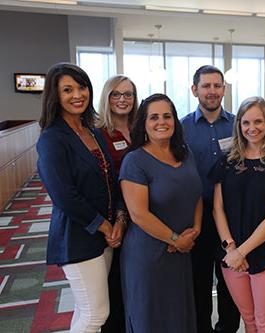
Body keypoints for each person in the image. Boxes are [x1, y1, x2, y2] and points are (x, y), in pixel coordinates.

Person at [37, 63, 124, 332]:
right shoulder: (52, 138)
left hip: (104, 235)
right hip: (77, 237)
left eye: (82, 87)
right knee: (95, 313)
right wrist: (105, 225)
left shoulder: (94, 132)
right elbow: (64, 195)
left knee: (87, 308)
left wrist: (119, 219)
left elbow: (112, 180)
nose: (77, 94)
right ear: (55, 95)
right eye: (67, 89)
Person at [119, 93, 202, 332]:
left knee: (178, 316)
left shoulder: (185, 153)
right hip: (149, 255)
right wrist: (176, 239)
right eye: (153, 117)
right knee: (151, 318)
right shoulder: (134, 161)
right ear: (143, 123)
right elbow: (139, 215)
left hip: (182, 251)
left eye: (167, 116)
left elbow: (196, 194)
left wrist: (194, 231)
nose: (161, 122)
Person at [211, 96, 265, 333]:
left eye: (258, 122)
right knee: (248, 319)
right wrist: (230, 248)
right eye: (245, 122)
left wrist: (241, 252)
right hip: (231, 253)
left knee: (264, 320)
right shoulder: (227, 161)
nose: (252, 128)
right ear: (238, 126)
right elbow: (218, 208)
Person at [181, 65, 240, 333]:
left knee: (231, 280)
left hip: (232, 215)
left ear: (224, 90)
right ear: (195, 90)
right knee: (199, 283)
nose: (212, 91)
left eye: (217, 86)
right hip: (197, 215)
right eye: (206, 86)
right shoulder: (180, 128)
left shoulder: (240, 124)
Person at [96, 74, 138, 332]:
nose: (123, 99)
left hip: (143, 213)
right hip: (114, 216)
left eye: (128, 94)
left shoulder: (142, 129)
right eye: (116, 94)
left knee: (135, 282)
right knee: (112, 286)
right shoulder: (98, 133)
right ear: (107, 98)